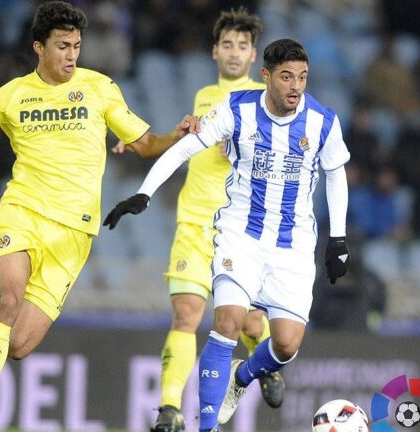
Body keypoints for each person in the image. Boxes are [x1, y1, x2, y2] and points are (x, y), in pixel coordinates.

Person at [0, 2, 197, 431]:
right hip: (22, 213)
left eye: (76, 45)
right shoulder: (12, 94)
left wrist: (175, 136)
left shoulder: (99, 88)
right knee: (8, 298)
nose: (72, 55)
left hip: (73, 235)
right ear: (39, 47)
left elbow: (144, 143)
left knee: (18, 345)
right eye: (62, 46)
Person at [104, 39, 350, 431]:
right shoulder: (238, 109)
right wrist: (144, 193)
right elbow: (184, 149)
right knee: (228, 321)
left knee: (286, 344)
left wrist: (337, 239)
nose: (295, 87)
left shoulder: (323, 121)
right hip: (241, 234)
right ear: (266, 76)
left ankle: (242, 377)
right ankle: (207, 427)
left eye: (302, 77)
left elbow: (336, 174)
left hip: (294, 243)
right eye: (286, 76)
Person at [111, 9, 283, 430]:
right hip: (194, 221)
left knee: (247, 321)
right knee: (187, 314)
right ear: (214, 51)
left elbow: (281, 160)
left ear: (254, 54)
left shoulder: (265, 100)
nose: (234, 52)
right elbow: (188, 143)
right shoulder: (205, 95)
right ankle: (170, 409)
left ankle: (267, 361)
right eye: (227, 44)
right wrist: (173, 135)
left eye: (242, 46)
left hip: (241, 225)